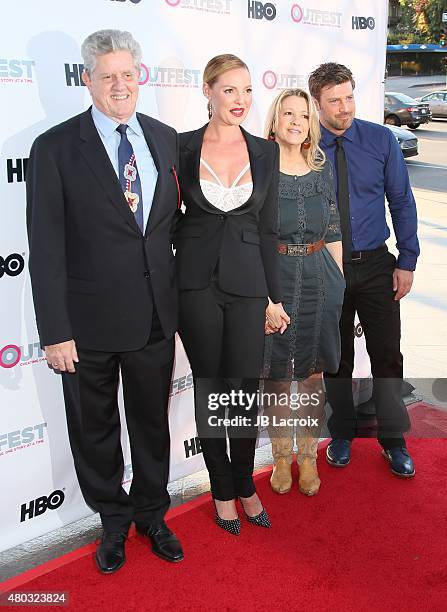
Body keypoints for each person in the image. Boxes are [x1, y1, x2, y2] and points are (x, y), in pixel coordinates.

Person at [26, 29, 184, 574]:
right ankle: (112, 522)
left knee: (151, 426)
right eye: (107, 75)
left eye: (127, 73)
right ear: (87, 80)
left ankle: (152, 516)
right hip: (86, 326)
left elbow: (170, 230)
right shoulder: (53, 148)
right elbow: (44, 248)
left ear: (139, 76)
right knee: (94, 431)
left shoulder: (166, 139)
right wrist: (55, 331)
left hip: (154, 319)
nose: (120, 84)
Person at [175, 54, 289, 535]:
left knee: (242, 389)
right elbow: (165, 218)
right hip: (196, 285)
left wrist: (274, 297)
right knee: (210, 389)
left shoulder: (265, 152)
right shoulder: (178, 147)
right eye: (229, 90)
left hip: (248, 288)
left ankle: (245, 482)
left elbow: (268, 230)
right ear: (207, 90)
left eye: (247, 91)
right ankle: (221, 488)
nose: (241, 100)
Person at [308, 63, 420, 477]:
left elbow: (402, 200)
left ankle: (394, 440)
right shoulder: (303, 144)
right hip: (325, 266)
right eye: (334, 101)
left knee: (387, 355)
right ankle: (341, 433)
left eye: (349, 97)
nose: (345, 107)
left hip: (376, 264)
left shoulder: (380, 139)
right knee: (335, 357)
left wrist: (407, 260)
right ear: (316, 103)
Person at [262, 89, 344, 496]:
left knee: (312, 373)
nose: (295, 121)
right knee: (276, 374)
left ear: (311, 123)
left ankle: (308, 456)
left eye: (302, 115)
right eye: (287, 113)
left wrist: (339, 283)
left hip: (320, 276)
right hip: (274, 277)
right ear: (275, 121)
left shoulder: (320, 169)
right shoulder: (259, 168)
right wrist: (262, 295)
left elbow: (333, 230)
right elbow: (249, 237)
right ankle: (281, 457)